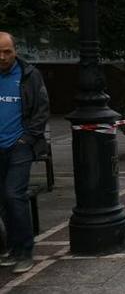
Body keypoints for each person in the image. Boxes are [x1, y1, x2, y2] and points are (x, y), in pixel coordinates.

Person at [0, 32, 49, 274]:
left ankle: (26, 250)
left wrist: (27, 139)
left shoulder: (29, 75)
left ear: (15, 50)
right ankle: (13, 247)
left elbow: (41, 109)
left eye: (7, 51)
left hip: (20, 146)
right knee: (3, 199)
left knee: (13, 195)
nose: (3, 56)